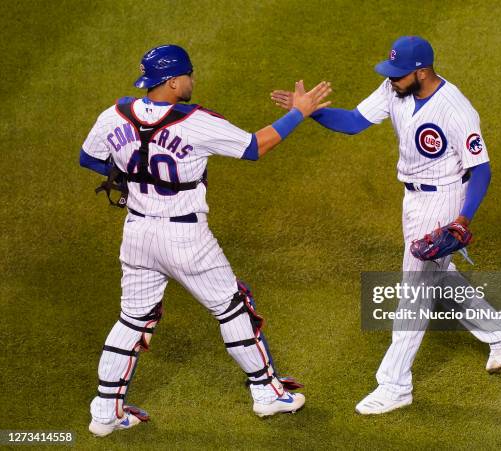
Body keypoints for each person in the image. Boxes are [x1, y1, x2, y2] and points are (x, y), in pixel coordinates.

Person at [80, 44, 331, 436]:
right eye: (190, 75)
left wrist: (134, 174)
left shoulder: (114, 114)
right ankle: (266, 393)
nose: (193, 81)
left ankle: (104, 412)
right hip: (185, 237)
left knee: (132, 320)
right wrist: (299, 112)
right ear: (174, 81)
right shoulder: (195, 121)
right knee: (233, 309)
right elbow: (254, 147)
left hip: (137, 234)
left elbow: (89, 157)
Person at [271, 36, 501, 415]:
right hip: (413, 199)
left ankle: (394, 385)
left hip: (443, 200)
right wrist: (308, 112)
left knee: (414, 291)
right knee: (436, 275)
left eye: (398, 73)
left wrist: (462, 218)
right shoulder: (395, 87)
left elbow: (482, 169)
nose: (391, 79)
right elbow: (355, 122)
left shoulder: (455, 109)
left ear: (421, 72)